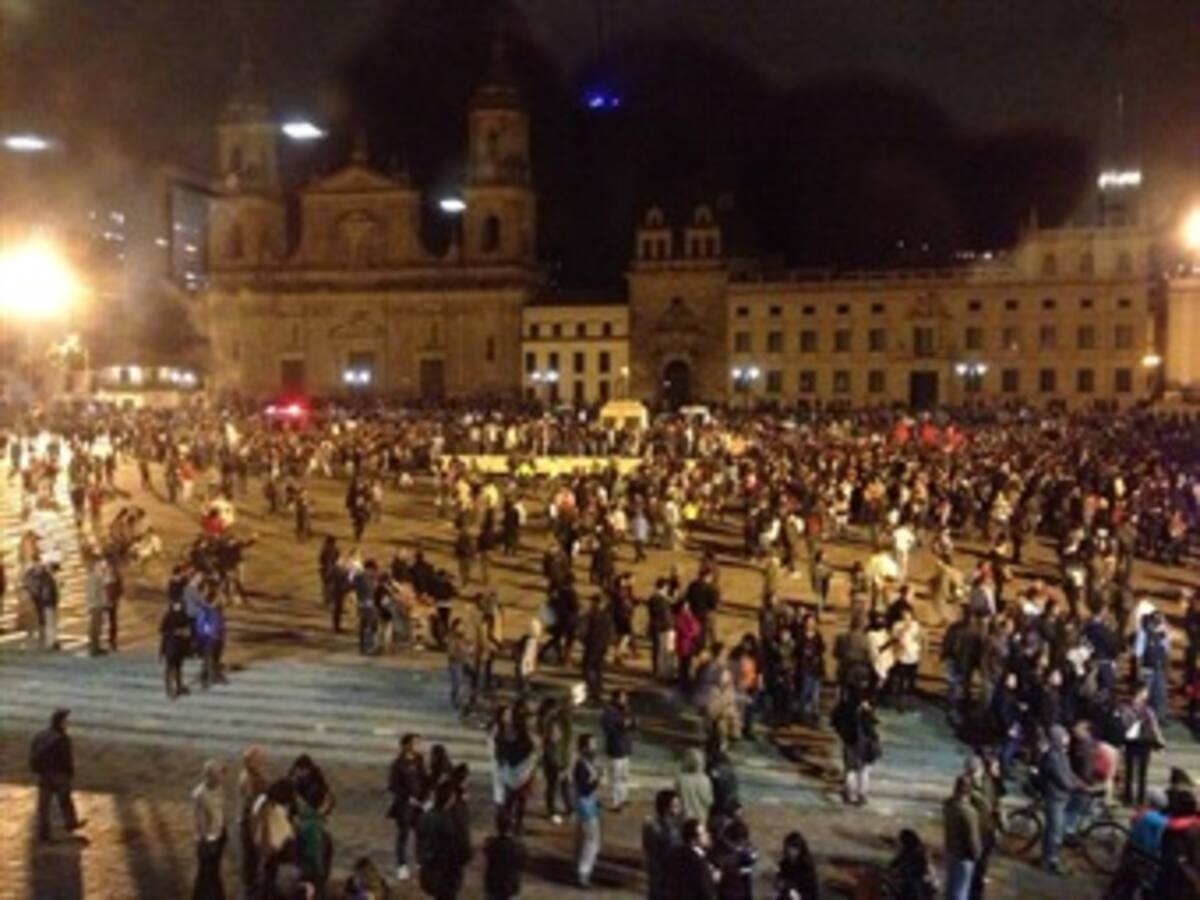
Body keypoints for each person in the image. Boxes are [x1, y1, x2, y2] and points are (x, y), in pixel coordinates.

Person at [29, 708, 86, 842]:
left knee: (44, 805)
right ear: (60, 722)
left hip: (44, 773)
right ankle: (71, 823)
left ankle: (43, 834)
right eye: (66, 721)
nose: (67, 724)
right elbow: (66, 758)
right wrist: (70, 772)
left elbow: (33, 753)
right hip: (59, 774)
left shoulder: (40, 735)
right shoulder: (62, 738)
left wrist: (36, 769)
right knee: (65, 800)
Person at [1039, 724, 1085, 875]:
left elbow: (1069, 772)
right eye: (1064, 736)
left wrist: (1078, 781)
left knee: (1051, 829)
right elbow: (1062, 779)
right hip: (1055, 798)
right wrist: (1074, 785)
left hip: (1061, 797)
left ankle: (1046, 857)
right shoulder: (1053, 757)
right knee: (1055, 831)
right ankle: (1051, 861)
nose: (1067, 738)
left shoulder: (1061, 754)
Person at [417, 780, 472, 900]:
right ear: (450, 799)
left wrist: (422, 861)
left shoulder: (425, 818)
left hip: (430, 870)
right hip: (448, 874)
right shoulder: (453, 822)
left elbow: (419, 843)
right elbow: (463, 850)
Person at [388, 733, 428, 882]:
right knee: (403, 835)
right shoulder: (398, 764)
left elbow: (424, 778)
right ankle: (401, 865)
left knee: (421, 834)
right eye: (415, 743)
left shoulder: (419, 760)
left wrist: (425, 796)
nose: (418, 746)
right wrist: (408, 798)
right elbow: (393, 786)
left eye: (419, 743)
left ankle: (420, 861)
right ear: (406, 745)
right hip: (404, 806)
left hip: (419, 804)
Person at [831, 688, 879, 806]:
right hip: (865, 741)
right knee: (864, 769)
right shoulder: (865, 709)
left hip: (850, 739)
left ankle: (849, 794)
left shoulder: (844, 706)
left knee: (850, 768)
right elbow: (873, 723)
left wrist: (841, 732)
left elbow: (834, 719)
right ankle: (861, 795)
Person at [1121, 684, 1166, 808]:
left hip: (1131, 742)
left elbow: (1124, 724)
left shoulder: (1126, 708)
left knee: (1129, 771)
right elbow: (1154, 726)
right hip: (1144, 742)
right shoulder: (1147, 709)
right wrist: (1160, 740)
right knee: (1142, 772)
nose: (1147, 694)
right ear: (1140, 692)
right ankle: (1140, 798)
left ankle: (1128, 797)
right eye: (1145, 691)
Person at [192, 759, 227, 900]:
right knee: (206, 874)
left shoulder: (218, 787)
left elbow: (219, 810)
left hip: (218, 835)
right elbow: (200, 822)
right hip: (208, 842)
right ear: (211, 776)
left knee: (213, 872)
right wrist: (208, 842)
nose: (223, 777)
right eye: (220, 774)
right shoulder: (199, 795)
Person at [943, 774, 982, 900]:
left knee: (951, 888)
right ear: (970, 790)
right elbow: (973, 839)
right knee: (961, 892)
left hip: (950, 851)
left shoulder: (949, 805)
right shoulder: (969, 812)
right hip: (964, 856)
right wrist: (977, 854)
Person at [236, 746, 268, 899]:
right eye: (259, 758)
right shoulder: (251, 780)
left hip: (249, 824)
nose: (263, 760)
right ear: (251, 761)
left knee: (251, 861)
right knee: (251, 862)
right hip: (251, 826)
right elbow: (253, 806)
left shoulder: (249, 775)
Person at [573, 732, 603, 888]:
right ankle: (583, 873)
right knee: (592, 840)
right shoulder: (581, 764)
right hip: (585, 806)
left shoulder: (588, 762)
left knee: (585, 838)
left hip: (588, 805)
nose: (595, 747)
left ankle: (580, 868)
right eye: (592, 744)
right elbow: (585, 789)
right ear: (584, 747)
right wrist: (598, 779)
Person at [537, 697, 573, 825]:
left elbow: (566, 736)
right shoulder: (545, 721)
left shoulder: (560, 720)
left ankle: (568, 806)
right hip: (552, 759)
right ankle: (551, 810)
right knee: (553, 785)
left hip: (562, 757)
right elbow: (547, 739)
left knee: (565, 784)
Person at [643, 789, 683, 900]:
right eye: (675, 805)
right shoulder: (662, 829)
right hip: (663, 877)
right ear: (666, 808)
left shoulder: (672, 826)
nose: (679, 809)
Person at [601, 689, 636, 810]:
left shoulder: (627, 709)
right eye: (622, 698)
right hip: (615, 749)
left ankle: (624, 797)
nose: (625, 700)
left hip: (625, 748)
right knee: (615, 777)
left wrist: (629, 723)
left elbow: (634, 723)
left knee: (625, 776)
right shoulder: (608, 712)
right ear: (615, 698)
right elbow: (609, 729)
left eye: (625, 697)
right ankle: (616, 802)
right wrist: (622, 724)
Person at [669, 818, 719, 899]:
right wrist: (711, 878)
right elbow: (706, 892)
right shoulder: (698, 862)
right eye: (703, 834)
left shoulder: (678, 854)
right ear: (693, 841)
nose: (708, 835)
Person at [482, 808, 526, 900]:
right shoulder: (518, 847)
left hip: (493, 885)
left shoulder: (491, 844)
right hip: (510, 886)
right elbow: (522, 864)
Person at [160, 596, 193, 699]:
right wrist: (175, 632)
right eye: (176, 604)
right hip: (170, 645)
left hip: (180, 646)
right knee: (169, 667)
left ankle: (178, 686)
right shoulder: (169, 616)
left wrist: (186, 634)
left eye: (179, 604)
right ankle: (169, 689)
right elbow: (162, 630)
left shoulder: (184, 616)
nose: (178, 606)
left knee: (178, 667)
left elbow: (189, 630)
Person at [774, 830, 819, 900]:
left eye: (794, 849)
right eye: (789, 848)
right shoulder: (784, 864)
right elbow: (779, 880)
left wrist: (799, 896)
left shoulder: (806, 866)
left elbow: (812, 890)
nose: (791, 852)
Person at [676, 747, 714, 825]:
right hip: (700, 818)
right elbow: (709, 801)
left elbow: (676, 800)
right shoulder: (704, 779)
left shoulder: (680, 779)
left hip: (684, 818)